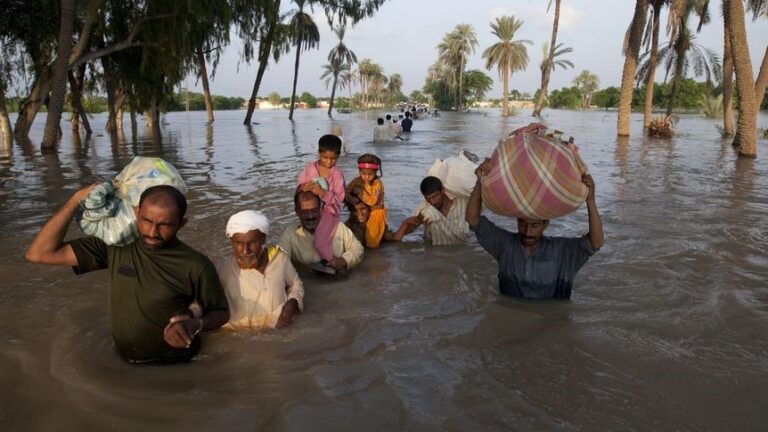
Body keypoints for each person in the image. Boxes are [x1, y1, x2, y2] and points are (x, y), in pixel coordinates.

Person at [24, 185, 230, 364]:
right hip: (125, 361)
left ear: (181, 224)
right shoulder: (115, 246)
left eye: (165, 225)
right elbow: (39, 253)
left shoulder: (196, 264)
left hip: (178, 364)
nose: (153, 232)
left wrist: (195, 324)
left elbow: (220, 312)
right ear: (136, 212)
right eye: (147, 221)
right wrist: (75, 200)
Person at [466, 159, 605, 299]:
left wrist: (590, 201)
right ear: (516, 221)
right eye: (522, 224)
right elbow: (472, 219)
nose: (528, 232)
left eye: (535, 226)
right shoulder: (505, 245)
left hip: (550, 320)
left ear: (546, 224)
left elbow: (596, 242)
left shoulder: (562, 251)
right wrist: (480, 181)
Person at [218, 210, 304, 330]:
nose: (245, 251)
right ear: (231, 242)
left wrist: (290, 306)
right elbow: (203, 304)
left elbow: (296, 284)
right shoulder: (223, 270)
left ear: (263, 239)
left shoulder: (279, 259)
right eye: (238, 243)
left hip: (277, 332)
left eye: (252, 242)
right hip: (238, 335)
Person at [279, 189, 364, 276]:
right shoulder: (290, 234)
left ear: (321, 208)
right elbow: (280, 262)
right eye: (305, 212)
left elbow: (358, 248)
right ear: (297, 211)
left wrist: (343, 261)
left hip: (339, 282)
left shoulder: (337, 226)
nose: (310, 216)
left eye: (314, 210)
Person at [297, 134, 346, 264]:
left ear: (338, 156)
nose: (329, 162)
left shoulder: (337, 173)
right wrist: (303, 186)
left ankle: (332, 260)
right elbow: (300, 183)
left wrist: (323, 193)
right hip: (312, 208)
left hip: (329, 211)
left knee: (320, 242)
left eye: (333, 159)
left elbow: (340, 197)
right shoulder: (310, 168)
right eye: (325, 158)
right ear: (319, 153)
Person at [392, 176, 470, 246]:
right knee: (428, 213)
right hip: (434, 251)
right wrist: (412, 221)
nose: (432, 202)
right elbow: (407, 231)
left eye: (435, 196)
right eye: (427, 198)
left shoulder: (463, 202)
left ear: (442, 191)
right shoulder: (425, 207)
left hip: (459, 245)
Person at [346, 154, 388, 248]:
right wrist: (352, 200)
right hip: (362, 208)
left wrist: (360, 192)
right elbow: (346, 191)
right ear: (359, 171)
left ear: (376, 172)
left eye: (370, 174)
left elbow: (372, 201)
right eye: (363, 174)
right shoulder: (357, 180)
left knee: (372, 242)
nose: (366, 177)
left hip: (376, 212)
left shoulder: (377, 183)